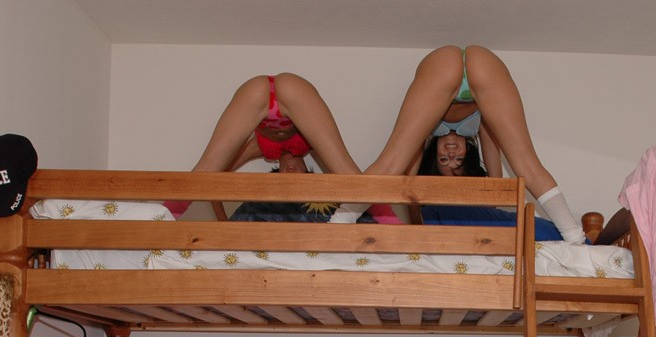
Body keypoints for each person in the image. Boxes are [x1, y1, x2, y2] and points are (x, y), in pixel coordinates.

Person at [330, 45, 585, 243]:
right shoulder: (475, 126)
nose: (452, 152)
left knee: (391, 162)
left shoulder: (428, 134)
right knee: (526, 164)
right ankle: (576, 238)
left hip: (445, 66)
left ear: (433, 151)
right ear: (470, 150)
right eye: (458, 159)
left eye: (445, 159)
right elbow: (407, 180)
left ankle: (336, 224)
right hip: (482, 65)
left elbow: (403, 170)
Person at [164, 73, 399, 223]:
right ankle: (154, 221)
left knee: (203, 171)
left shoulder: (260, 148)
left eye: (286, 180)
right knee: (352, 177)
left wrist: (223, 226)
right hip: (290, 92)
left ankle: (156, 219)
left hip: (257, 94)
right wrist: (223, 225)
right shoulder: (309, 144)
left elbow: (212, 179)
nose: (290, 174)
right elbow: (212, 181)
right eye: (296, 180)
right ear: (307, 172)